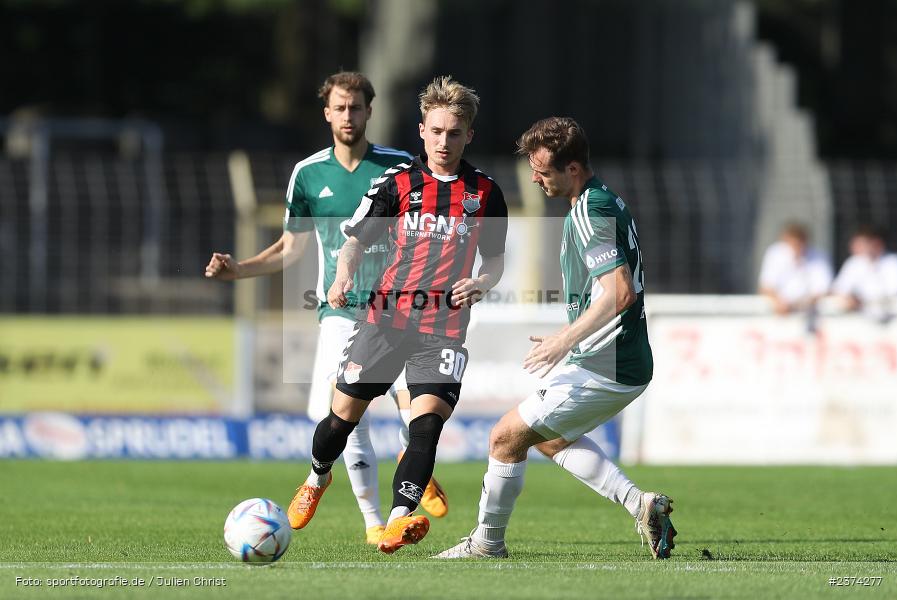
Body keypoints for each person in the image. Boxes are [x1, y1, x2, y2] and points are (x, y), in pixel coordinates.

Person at [204, 71, 448, 545]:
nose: (348, 116)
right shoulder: (309, 173)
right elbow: (290, 249)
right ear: (327, 113)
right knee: (343, 414)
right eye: (340, 107)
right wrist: (240, 270)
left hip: (400, 308)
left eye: (356, 107)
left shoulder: (401, 165)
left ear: (369, 111)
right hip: (340, 309)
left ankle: (409, 460)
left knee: (413, 407)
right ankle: (375, 523)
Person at [436, 117, 676, 560]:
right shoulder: (600, 200)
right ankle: (641, 505)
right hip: (611, 358)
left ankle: (487, 543)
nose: (534, 177)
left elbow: (619, 291)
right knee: (549, 438)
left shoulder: (590, 210)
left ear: (572, 169)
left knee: (504, 437)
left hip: (609, 364)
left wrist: (565, 339)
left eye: (543, 171)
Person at [287, 76, 508, 555]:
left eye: (454, 133)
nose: (444, 141)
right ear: (421, 132)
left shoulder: (486, 193)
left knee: (425, 427)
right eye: (436, 131)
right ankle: (316, 476)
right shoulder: (398, 184)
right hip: (386, 320)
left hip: (443, 330)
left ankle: (396, 520)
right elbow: (353, 243)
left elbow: (494, 260)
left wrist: (483, 283)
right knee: (340, 421)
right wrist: (343, 277)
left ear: (468, 134)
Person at [758, 223, 833, 315]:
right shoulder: (775, 253)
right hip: (778, 313)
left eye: (799, 244)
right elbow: (766, 286)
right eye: (793, 244)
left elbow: (823, 289)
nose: (796, 247)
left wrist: (801, 304)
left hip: (809, 313)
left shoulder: (819, 257)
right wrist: (779, 303)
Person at [832, 225, 897, 321]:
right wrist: (850, 299)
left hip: (891, 318)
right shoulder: (854, 263)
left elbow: (894, 292)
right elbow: (839, 289)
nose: (855, 248)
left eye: (861, 244)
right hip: (860, 318)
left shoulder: (893, 262)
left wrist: (864, 301)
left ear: (877, 243)